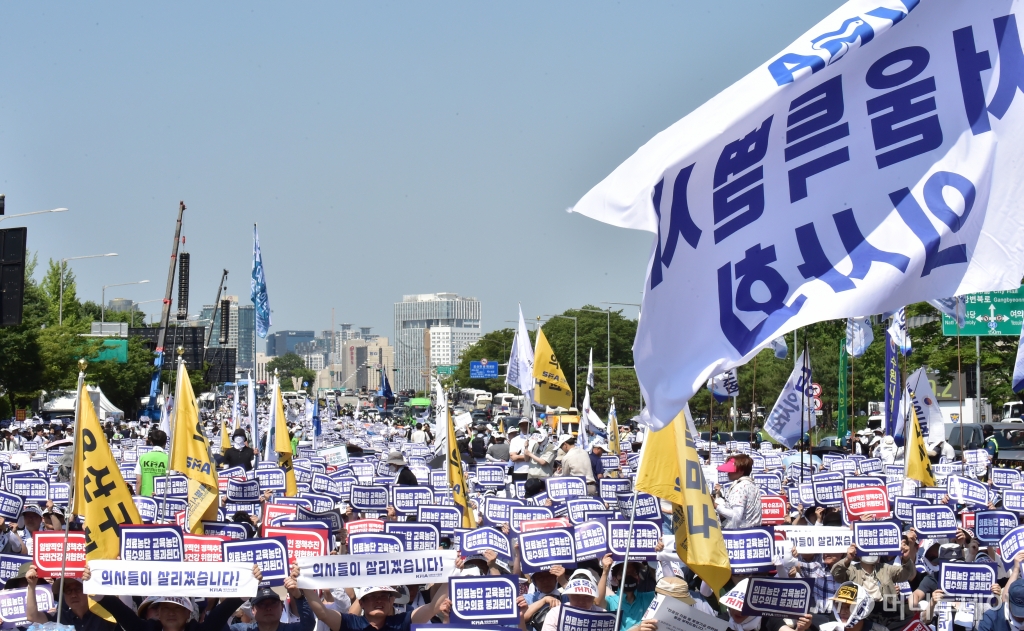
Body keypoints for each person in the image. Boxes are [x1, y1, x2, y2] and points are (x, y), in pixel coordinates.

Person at [302, 584, 443, 631]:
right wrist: (304, 584)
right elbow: (323, 614)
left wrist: (452, 573)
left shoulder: (401, 622)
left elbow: (432, 608)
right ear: (361, 603)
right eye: (373, 597)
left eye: (383, 596)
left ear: (391, 601)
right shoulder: (351, 623)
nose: (379, 601)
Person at [25, 564, 118, 631]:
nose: (73, 595)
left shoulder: (104, 615)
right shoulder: (59, 618)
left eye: (78, 589)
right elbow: (32, 616)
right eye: (68, 590)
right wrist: (31, 586)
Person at [597, 556, 655, 631]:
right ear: (615, 579)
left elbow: (668, 591)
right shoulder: (611, 602)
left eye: (633, 572)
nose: (629, 576)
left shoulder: (648, 598)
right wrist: (605, 572)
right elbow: (597, 602)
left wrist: (660, 562)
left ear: (638, 578)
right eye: (623, 573)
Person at [229, 585, 317, 631]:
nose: (268, 608)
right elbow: (219, 626)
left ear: (282, 608)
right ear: (253, 610)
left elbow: (308, 624)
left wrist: (298, 597)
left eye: (273, 603)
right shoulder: (241, 629)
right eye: (262, 604)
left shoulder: (291, 629)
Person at [712, 454, 760, 529]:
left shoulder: (740, 487)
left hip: (740, 534)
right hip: (753, 532)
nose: (728, 472)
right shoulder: (753, 485)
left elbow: (736, 516)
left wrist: (715, 506)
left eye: (731, 470)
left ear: (741, 471)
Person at [135, 428, 169, 496]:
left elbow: (138, 482)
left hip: (146, 499)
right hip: (163, 499)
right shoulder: (169, 459)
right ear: (165, 443)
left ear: (151, 442)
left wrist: (137, 498)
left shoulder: (142, 457)